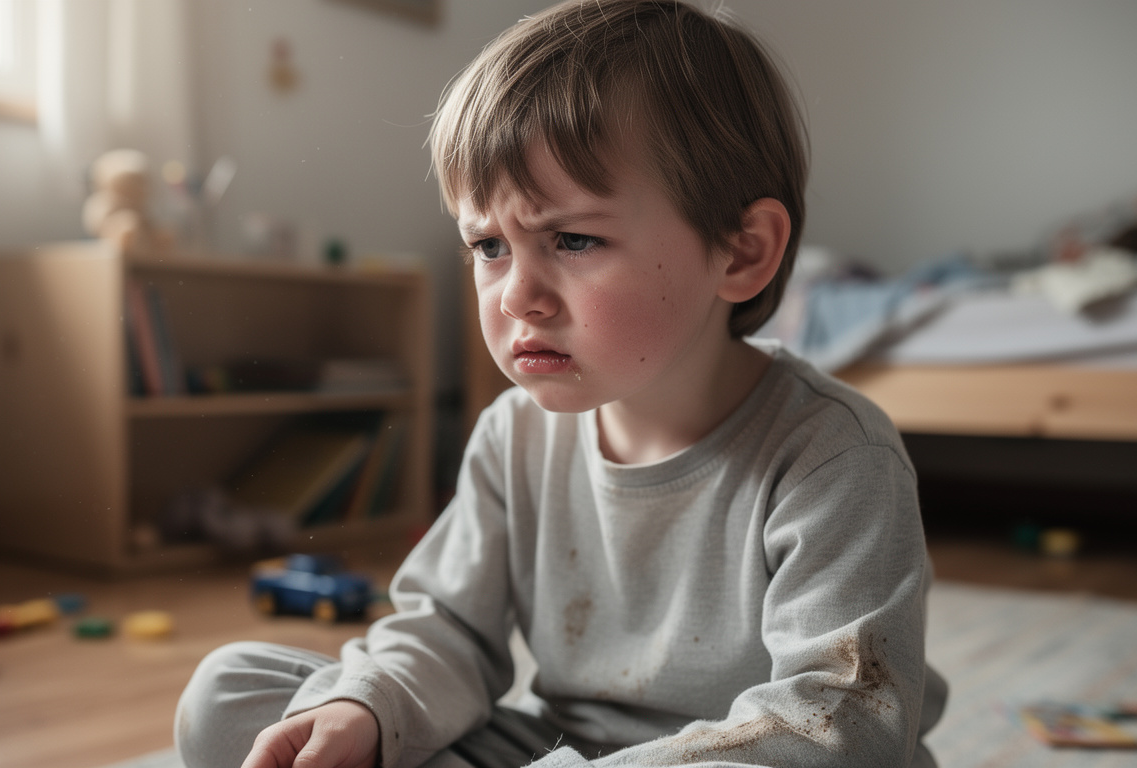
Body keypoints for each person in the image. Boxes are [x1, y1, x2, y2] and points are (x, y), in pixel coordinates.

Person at [175, 1, 947, 767]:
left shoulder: (836, 456)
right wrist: (364, 708)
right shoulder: (513, 436)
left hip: (748, 757)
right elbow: (447, 630)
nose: (515, 296)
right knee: (232, 693)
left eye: (573, 239)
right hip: (557, 749)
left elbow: (843, 718)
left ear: (742, 252)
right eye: (488, 245)